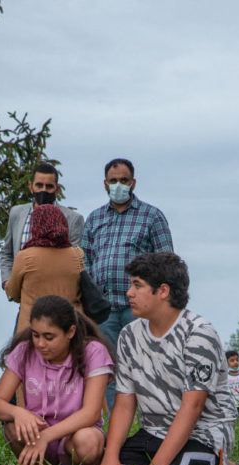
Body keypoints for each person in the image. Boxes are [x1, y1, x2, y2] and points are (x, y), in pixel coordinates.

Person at [92, 252, 239, 465]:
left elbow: (192, 407)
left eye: (137, 285)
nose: (129, 293)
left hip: (204, 433)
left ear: (163, 291)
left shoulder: (198, 333)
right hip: (153, 431)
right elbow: (125, 403)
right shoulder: (129, 335)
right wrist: (110, 458)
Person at [0, 294, 112, 465]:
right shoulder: (25, 350)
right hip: (39, 434)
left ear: (70, 332)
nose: (40, 343)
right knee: (13, 427)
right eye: (35, 335)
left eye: (49, 337)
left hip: (74, 436)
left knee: (87, 440)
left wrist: (47, 436)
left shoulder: (93, 352)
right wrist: (18, 412)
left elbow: (91, 413)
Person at [83, 158, 172, 410]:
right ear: (105, 184)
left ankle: (152, 422)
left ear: (133, 183)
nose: (118, 185)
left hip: (140, 310)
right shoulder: (95, 218)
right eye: (113, 181)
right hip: (104, 310)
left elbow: (167, 261)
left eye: (124, 180)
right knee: (107, 368)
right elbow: (84, 259)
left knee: (148, 365)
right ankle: (114, 429)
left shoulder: (151, 216)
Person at [0, 162, 83, 287]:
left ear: (57, 189)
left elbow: (76, 262)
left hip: (58, 294)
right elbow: (7, 252)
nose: (43, 190)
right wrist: (8, 283)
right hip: (24, 296)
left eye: (49, 186)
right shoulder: (17, 213)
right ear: (30, 186)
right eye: (39, 185)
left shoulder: (73, 219)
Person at [4, 204, 85, 334]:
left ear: (34, 226)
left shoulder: (25, 256)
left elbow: (13, 292)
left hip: (32, 330)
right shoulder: (77, 254)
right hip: (68, 329)